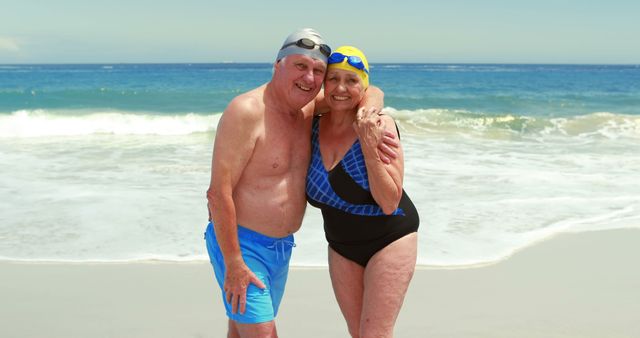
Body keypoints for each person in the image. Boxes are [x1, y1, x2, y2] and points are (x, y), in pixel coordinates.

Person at [204, 29, 395, 338]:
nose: (309, 78)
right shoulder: (247, 111)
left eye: (318, 71)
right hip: (242, 246)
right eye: (300, 66)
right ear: (278, 64)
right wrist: (234, 262)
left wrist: (370, 106)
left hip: (281, 249)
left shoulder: (307, 107)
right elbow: (217, 192)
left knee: (240, 332)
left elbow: (362, 90)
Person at [305, 46, 420, 338]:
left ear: (363, 85)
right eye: (333, 79)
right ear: (323, 83)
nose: (341, 88)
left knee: (375, 335)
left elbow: (389, 201)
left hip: (390, 237)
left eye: (352, 80)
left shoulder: (380, 126)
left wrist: (368, 146)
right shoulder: (311, 126)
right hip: (341, 245)